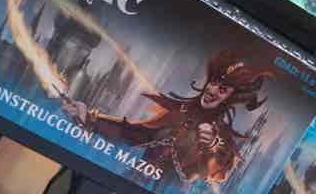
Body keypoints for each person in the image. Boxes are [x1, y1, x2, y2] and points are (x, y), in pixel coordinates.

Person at [63, 50, 273, 184]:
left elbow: (218, 173)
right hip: (133, 181)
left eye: (223, 89)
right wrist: (90, 117)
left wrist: (211, 146)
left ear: (230, 98)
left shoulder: (221, 135)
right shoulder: (179, 112)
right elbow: (135, 133)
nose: (212, 90)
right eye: (214, 83)